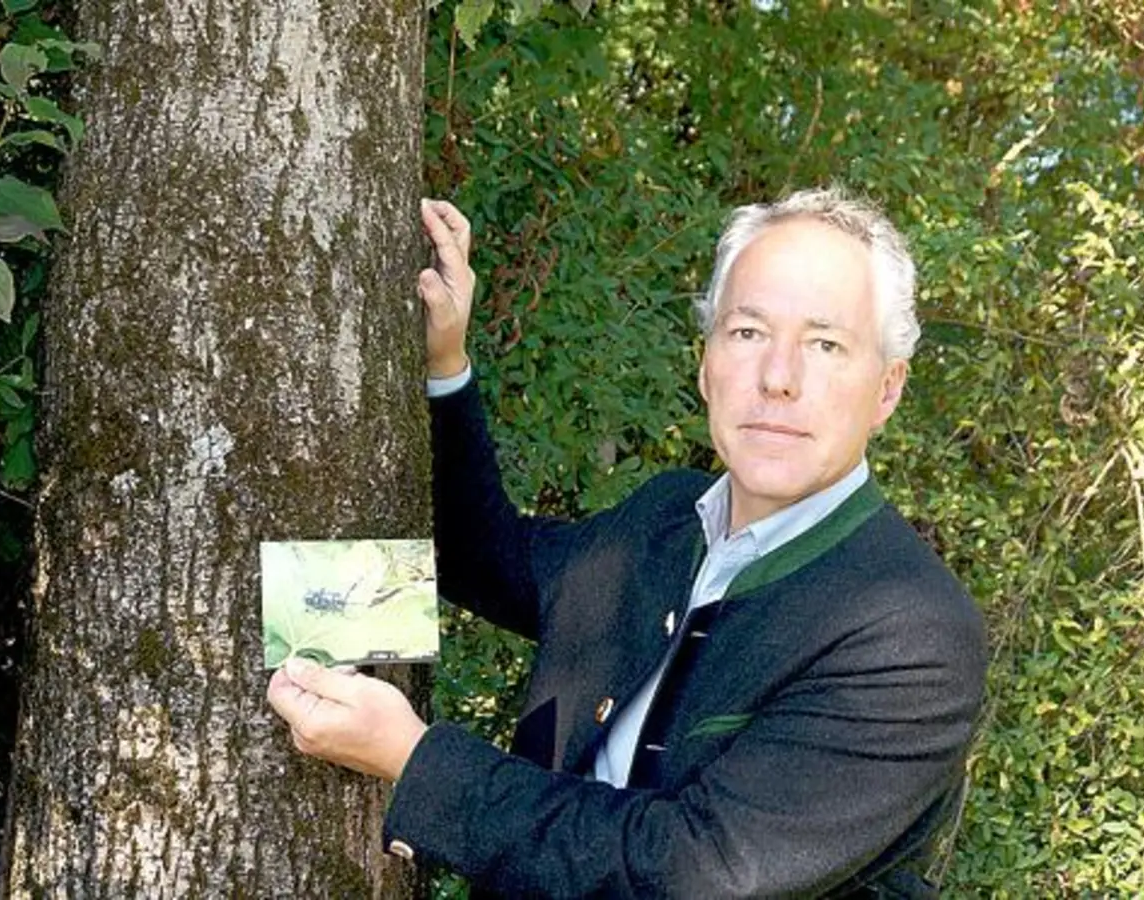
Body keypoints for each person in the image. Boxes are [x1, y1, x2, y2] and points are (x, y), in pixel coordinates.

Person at [267, 188, 987, 898]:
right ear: (706, 364)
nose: (778, 378)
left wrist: (416, 759)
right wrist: (445, 361)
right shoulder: (667, 518)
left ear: (888, 388)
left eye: (826, 344)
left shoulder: (911, 633)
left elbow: (694, 871)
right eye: (747, 332)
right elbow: (485, 560)